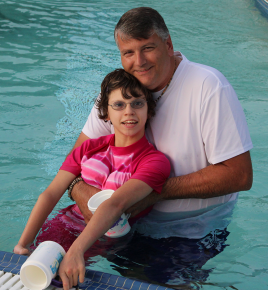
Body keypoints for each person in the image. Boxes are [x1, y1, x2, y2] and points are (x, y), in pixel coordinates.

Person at [68, 7, 253, 239]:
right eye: (128, 53)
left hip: (192, 231)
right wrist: (79, 190)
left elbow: (240, 175)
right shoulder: (120, 93)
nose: (139, 62)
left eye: (147, 48)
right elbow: (74, 160)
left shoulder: (209, 87)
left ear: (168, 45)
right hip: (121, 223)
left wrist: (153, 190)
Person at [14, 69, 171, 290]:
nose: (129, 112)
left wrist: (76, 250)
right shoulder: (89, 148)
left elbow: (116, 204)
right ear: (106, 113)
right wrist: (23, 244)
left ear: (149, 110)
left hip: (114, 244)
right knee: (38, 275)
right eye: (119, 105)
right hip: (65, 227)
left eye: (137, 103)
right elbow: (50, 194)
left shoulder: (154, 162)